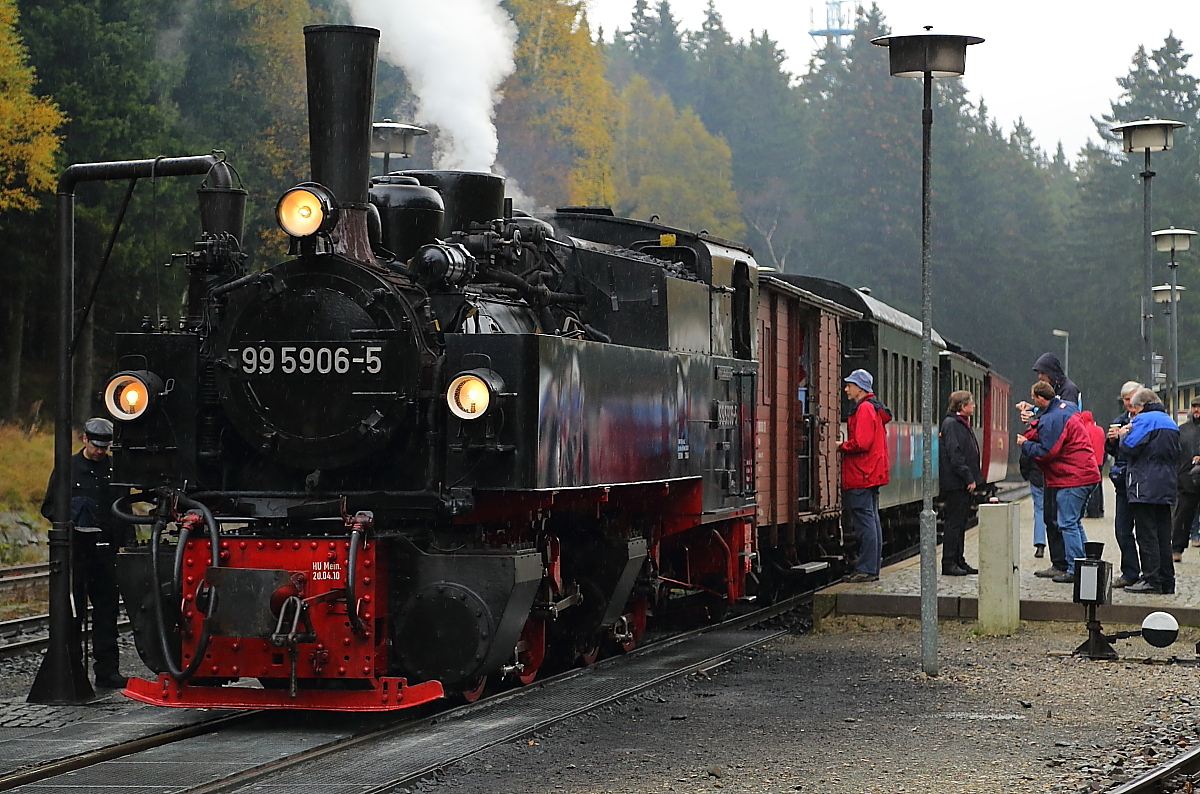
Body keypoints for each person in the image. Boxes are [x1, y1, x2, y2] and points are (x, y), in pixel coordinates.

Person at [40, 417, 128, 689]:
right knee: (73, 612)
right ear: (85, 440)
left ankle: (107, 671)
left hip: (105, 552)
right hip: (76, 552)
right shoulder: (68, 468)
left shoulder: (115, 470)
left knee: (107, 614)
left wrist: (126, 543)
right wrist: (72, 522)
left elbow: (124, 508)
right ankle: (74, 668)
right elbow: (49, 507)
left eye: (105, 446)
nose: (100, 451)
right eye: (96, 445)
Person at [1018, 381, 1100, 583]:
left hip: (1072, 478)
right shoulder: (1067, 408)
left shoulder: (1054, 418)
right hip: (1086, 474)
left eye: (1033, 398)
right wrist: (1034, 415)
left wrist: (1025, 444)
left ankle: (1074, 569)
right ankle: (1087, 565)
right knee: (1074, 522)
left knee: (1067, 523)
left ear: (1038, 397)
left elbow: (1048, 451)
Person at [1117, 388, 1180, 594]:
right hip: (1166, 485)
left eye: (1134, 409)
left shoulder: (1144, 420)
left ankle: (1151, 579)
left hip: (1144, 485)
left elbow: (1129, 446)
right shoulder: (1169, 421)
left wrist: (1122, 434)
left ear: (1141, 406)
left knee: (1146, 534)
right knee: (1163, 534)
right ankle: (1166, 580)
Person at [840, 369, 891, 583]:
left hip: (862, 472)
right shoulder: (873, 408)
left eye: (849, 385)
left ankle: (867, 568)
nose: (846, 389)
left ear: (860, 388)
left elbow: (861, 442)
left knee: (865, 521)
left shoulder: (864, 410)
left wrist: (841, 445)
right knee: (871, 519)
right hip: (870, 472)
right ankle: (871, 566)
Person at [939, 390, 983, 576]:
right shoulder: (952, 424)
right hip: (955, 482)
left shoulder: (960, 423)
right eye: (971, 403)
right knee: (954, 523)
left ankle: (959, 559)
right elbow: (955, 454)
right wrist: (968, 476)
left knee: (961, 521)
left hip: (961, 482)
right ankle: (949, 561)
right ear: (962, 406)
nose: (973, 406)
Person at [1105, 382, 1143, 589]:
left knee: (1145, 531)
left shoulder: (1146, 421)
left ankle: (1149, 572)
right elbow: (1114, 452)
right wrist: (1111, 442)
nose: (1129, 403)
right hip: (1123, 482)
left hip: (1142, 481)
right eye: (1126, 400)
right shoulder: (1119, 421)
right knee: (1122, 529)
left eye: (1132, 399)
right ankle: (1130, 572)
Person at [1170, 397, 1200, 563]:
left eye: (1199, 407)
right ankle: (1176, 548)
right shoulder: (1182, 430)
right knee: (1182, 517)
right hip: (1186, 480)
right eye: (1194, 407)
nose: (1196, 410)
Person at [1019, 450, 1047, 558]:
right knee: (1058, 512)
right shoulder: (1056, 434)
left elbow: (1024, 459)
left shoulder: (1032, 437)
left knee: (1039, 511)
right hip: (1052, 477)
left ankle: (1040, 546)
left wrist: (1027, 475)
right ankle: (1062, 548)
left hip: (1036, 478)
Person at [1081, 411, 1107, 518]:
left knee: (1090, 486)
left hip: (1089, 460)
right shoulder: (1099, 429)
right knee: (1098, 485)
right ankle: (1099, 508)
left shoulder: (1084, 430)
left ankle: (1092, 510)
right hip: (1099, 460)